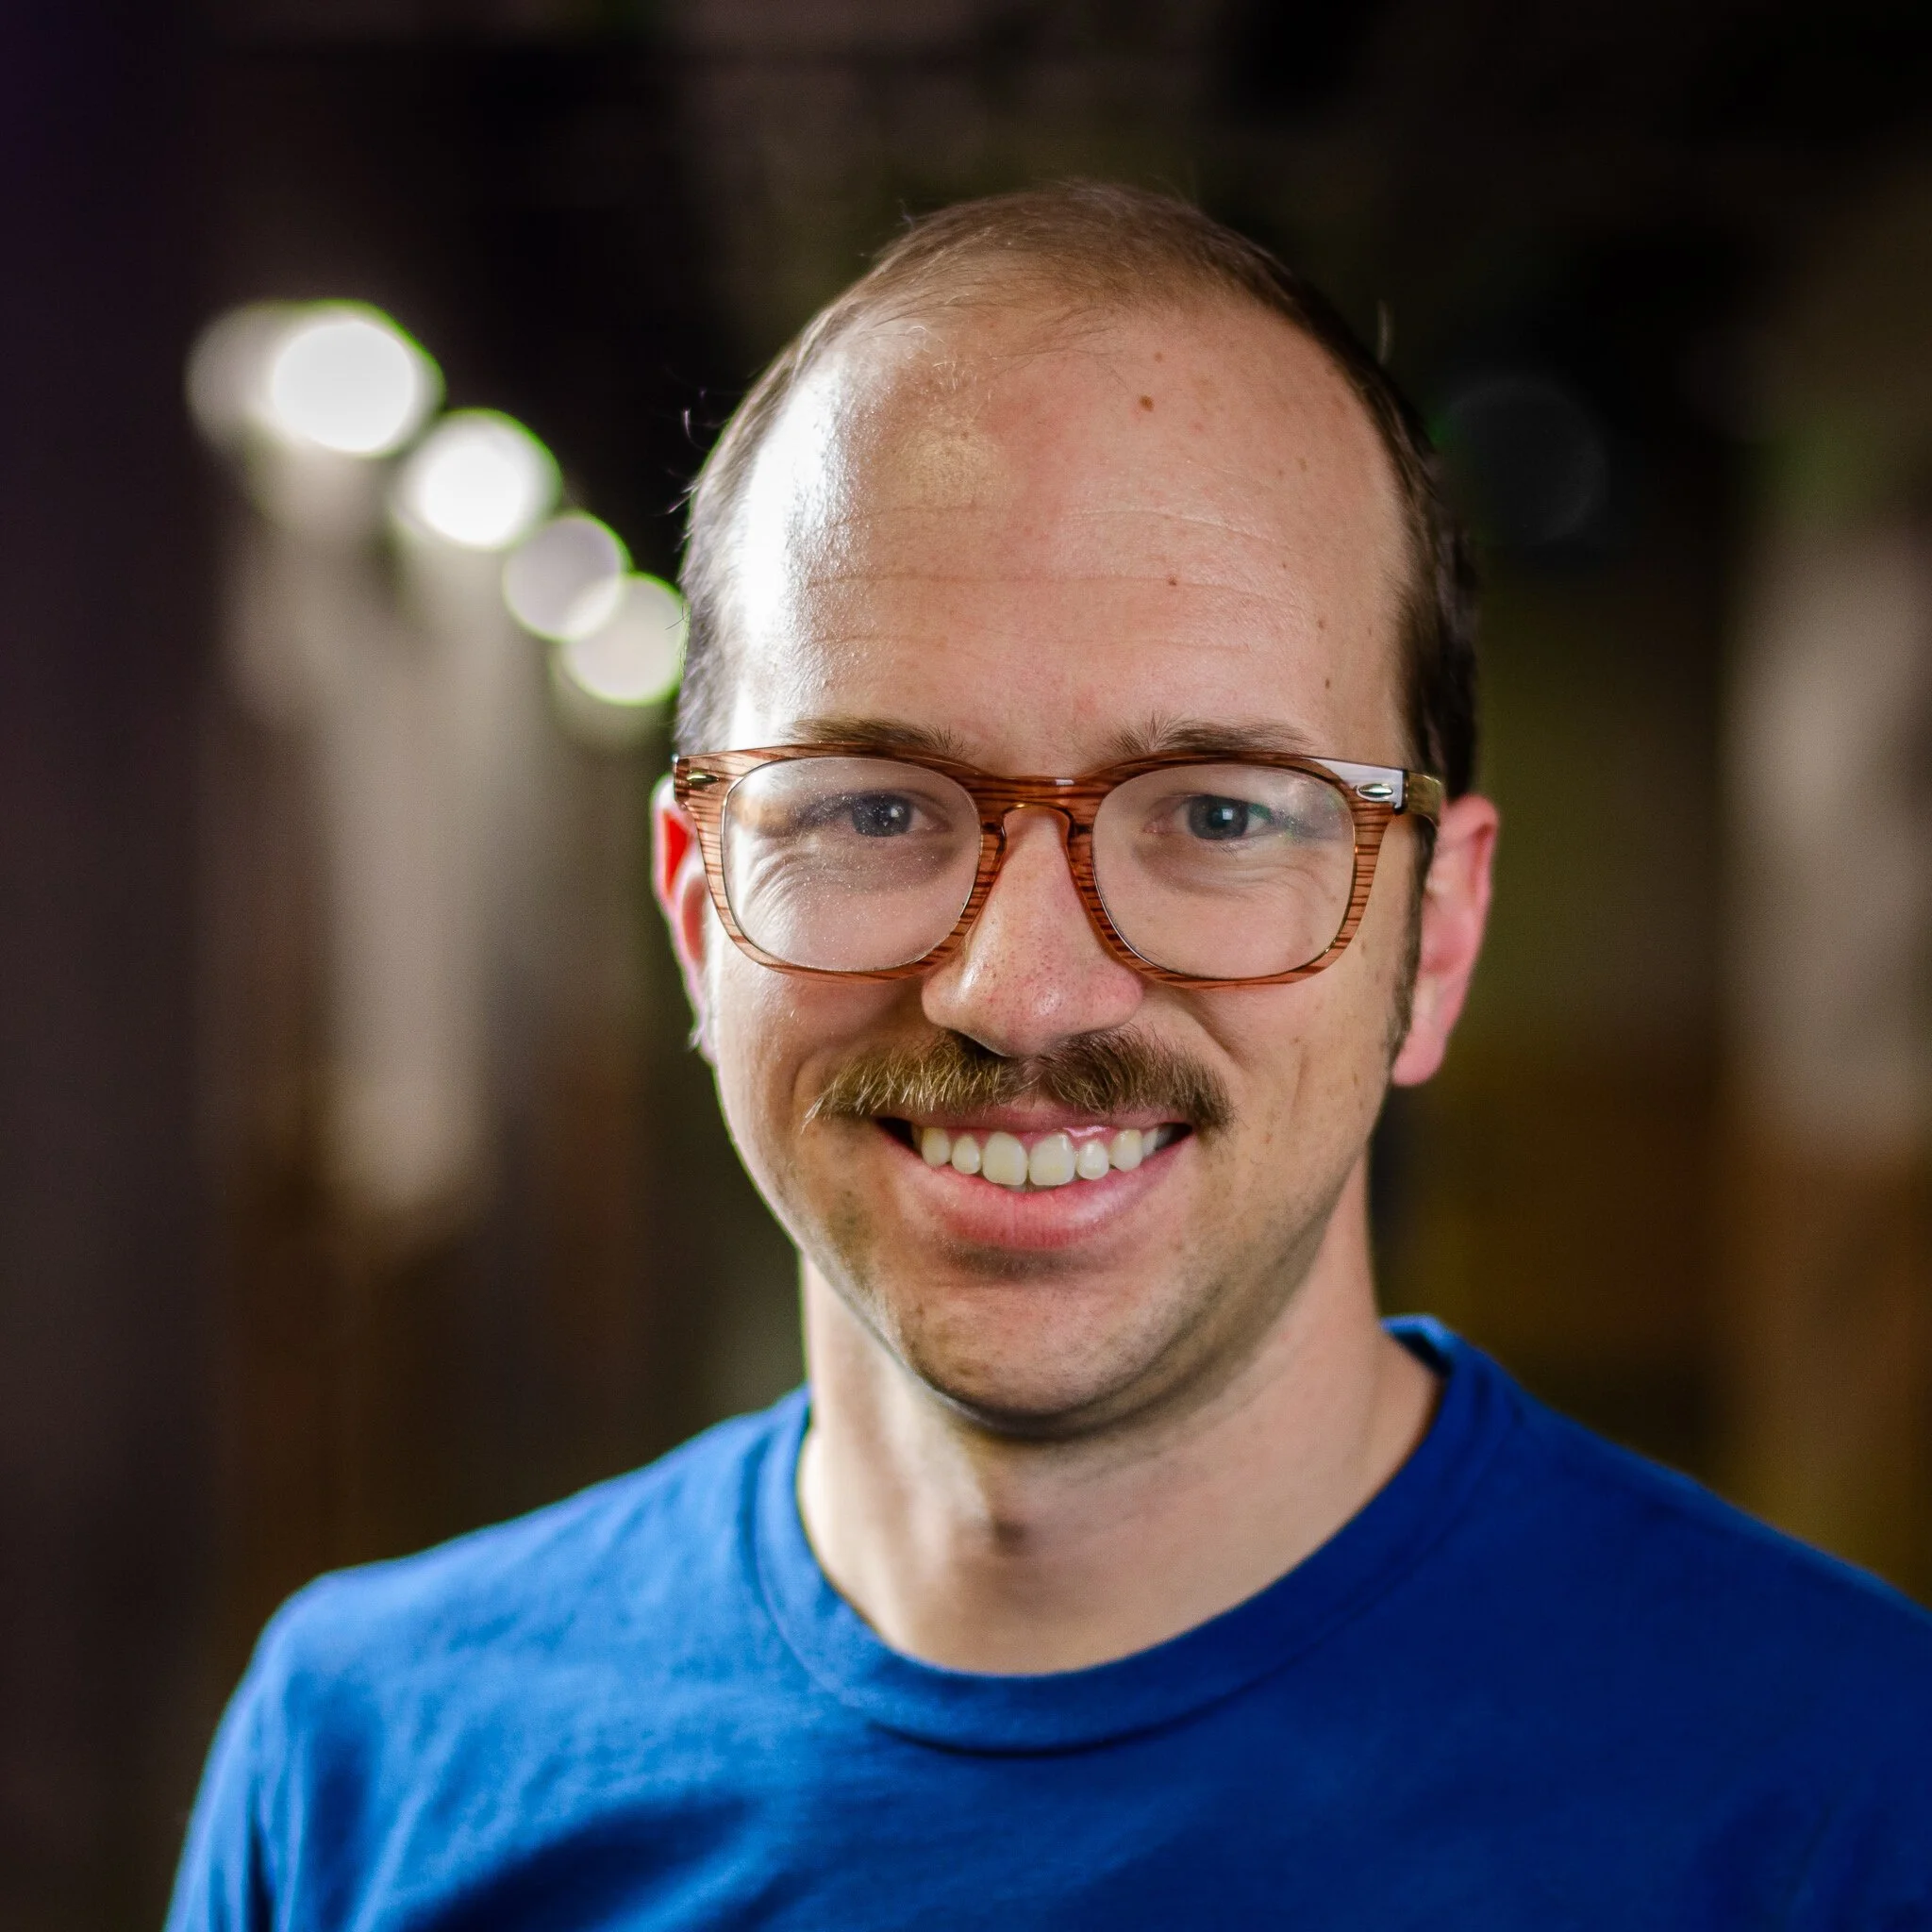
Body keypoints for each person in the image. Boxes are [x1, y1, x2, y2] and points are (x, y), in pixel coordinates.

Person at [168, 183, 1932, 1928]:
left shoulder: (1844, 1799)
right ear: (702, 914)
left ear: (1439, 935)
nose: (1020, 993)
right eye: (873, 809)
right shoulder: (361, 1770)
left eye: (1221, 814)